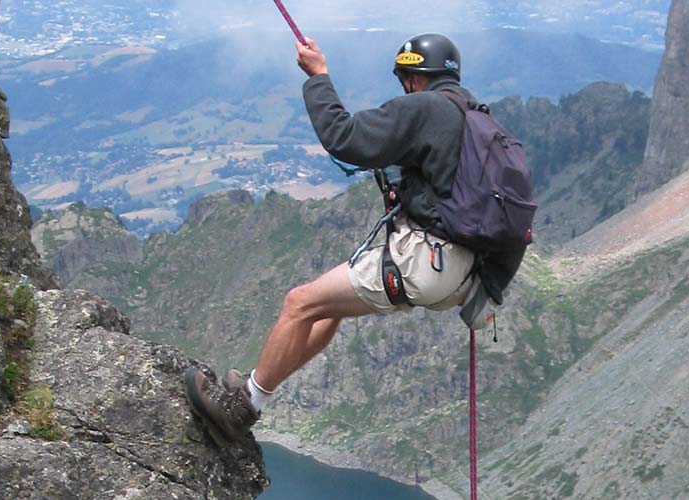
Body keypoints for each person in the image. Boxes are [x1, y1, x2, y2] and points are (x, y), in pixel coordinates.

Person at [184, 33, 526, 444]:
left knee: (299, 303)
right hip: (465, 275)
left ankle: (242, 408)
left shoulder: (428, 108)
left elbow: (345, 138)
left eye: (406, 78)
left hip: (425, 264)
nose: (404, 87)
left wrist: (318, 77)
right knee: (329, 309)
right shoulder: (476, 117)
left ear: (416, 77)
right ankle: (259, 385)